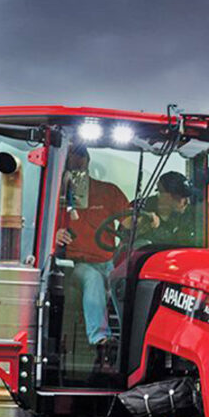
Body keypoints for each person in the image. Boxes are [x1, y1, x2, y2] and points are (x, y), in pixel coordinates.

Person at [53, 144, 129, 357]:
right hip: (75, 265)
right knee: (93, 279)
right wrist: (55, 235)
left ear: (88, 161)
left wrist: (145, 220)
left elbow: (130, 221)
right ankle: (100, 339)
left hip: (108, 262)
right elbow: (37, 227)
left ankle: (132, 337)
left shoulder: (109, 192)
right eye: (71, 163)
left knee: (126, 281)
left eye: (80, 160)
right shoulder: (54, 196)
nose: (77, 167)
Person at [132, 171, 202, 248]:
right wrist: (141, 220)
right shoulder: (139, 207)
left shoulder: (191, 215)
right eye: (181, 197)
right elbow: (125, 245)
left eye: (187, 197)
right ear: (165, 195)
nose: (186, 202)